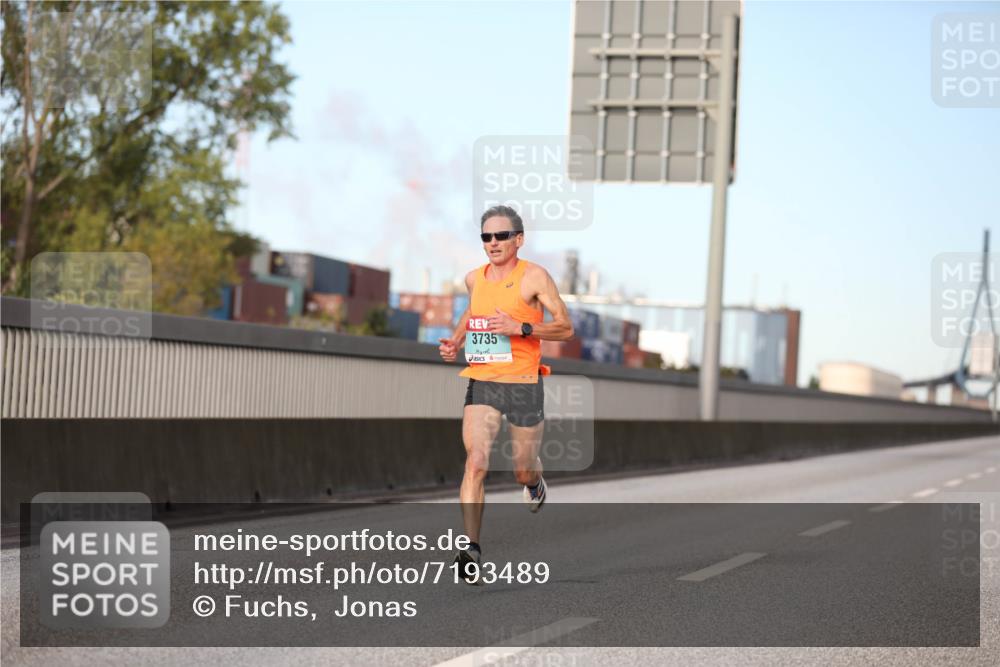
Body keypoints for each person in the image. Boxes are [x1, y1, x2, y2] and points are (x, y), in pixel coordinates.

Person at [438, 205, 574, 582]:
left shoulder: (534, 277)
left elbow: (565, 328)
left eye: (501, 236)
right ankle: (470, 549)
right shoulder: (473, 278)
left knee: (521, 469)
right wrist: (456, 340)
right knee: (476, 461)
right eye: (486, 237)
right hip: (484, 378)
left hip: (524, 383)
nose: (493, 243)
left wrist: (522, 327)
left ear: (519, 239)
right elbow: (472, 313)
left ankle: (534, 482)